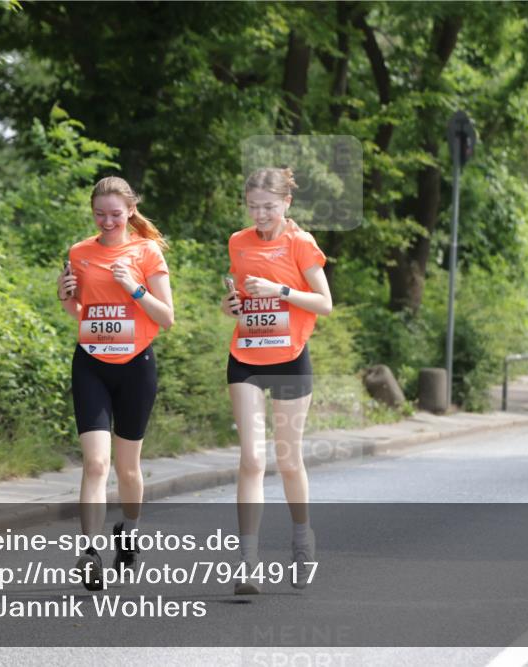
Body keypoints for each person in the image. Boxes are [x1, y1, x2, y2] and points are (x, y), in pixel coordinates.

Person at [56, 176, 174, 589]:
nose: (107, 222)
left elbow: (166, 317)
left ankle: (129, 530)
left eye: (115, 215)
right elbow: (80, 312)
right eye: (99, 214)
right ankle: (89, 553)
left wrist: (133, 288)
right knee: (95, 463)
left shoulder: (147, 251)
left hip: (136, 366)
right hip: (91, 364)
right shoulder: (79, 252)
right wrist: (65, 296)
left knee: (127, 468)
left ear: (130, 211)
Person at [221, 167, 332, 594]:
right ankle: (247, 563)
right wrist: (231, 305)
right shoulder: (238, 241)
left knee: (287, 460)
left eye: (268, 207)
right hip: (245, 357)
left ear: (286, 203)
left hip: (289, 358)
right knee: (251, 459)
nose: (260, 215)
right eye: (253, 207)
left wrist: (279, 290)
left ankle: (302, 538)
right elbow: (238, 297)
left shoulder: (301, 243)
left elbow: (324, 302)